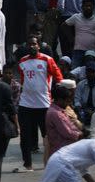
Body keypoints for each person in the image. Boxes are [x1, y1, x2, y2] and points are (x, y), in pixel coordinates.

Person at [17, 36, 62, 172]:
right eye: (29, 44)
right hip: (25, 104)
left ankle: (49, 163)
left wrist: (57, 98)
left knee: (48, 136)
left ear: (39, 46)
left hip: (44, 105)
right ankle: (27, 165)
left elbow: (59, 78)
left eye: (34, 44)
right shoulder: (22, 61)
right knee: (25, 137)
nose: (32, 46)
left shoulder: (47, 60)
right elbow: (24, 80)